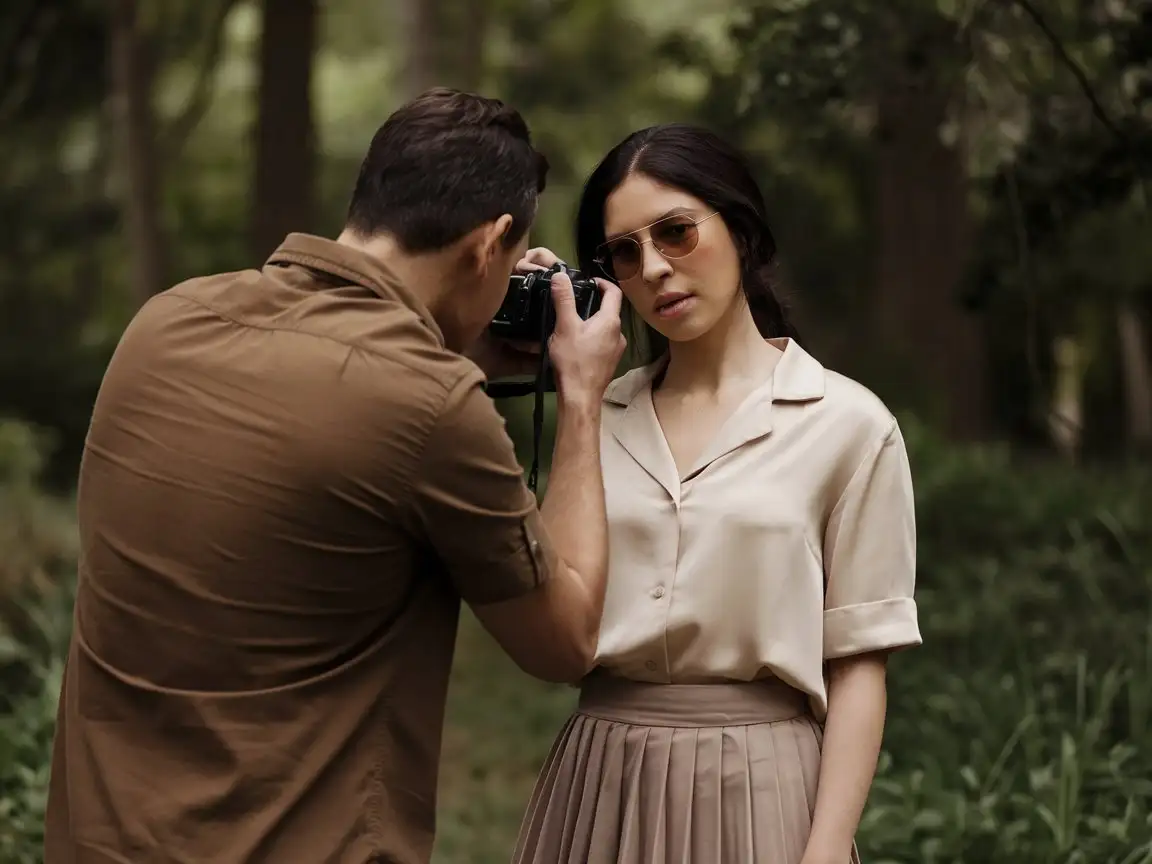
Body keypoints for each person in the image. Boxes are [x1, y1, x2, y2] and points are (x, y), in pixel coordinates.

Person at [42, 88, 625, 864]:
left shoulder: (167, 321)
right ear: (489, 245)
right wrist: (580, 398)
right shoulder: (433, 407)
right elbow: (566, 639)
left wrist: (446, 351)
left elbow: (326, 411)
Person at [509, 124, 922, 864]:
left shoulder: (849, 425)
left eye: (676, 232)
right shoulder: (594, 417)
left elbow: (859, 662)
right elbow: (550, 615)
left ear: (741, 230)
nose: (656, 269)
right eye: (625, 254)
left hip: (765, 791)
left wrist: (826, 849)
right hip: (601, 783)